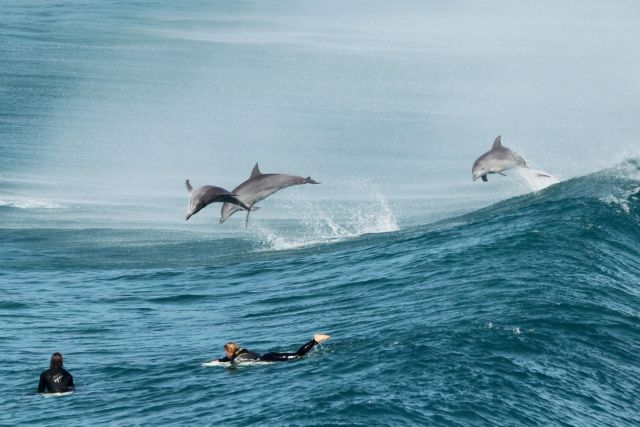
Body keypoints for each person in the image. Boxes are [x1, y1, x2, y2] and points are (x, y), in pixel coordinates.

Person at [211, 333, 331, 365]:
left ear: (230, 351)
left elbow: (232, 362)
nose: (225, 354)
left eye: (225, 352)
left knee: (298, 356)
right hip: (268, 355)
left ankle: (314, 340)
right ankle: (313, 341)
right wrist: (220, 360)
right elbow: (227, 359)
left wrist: (222, 362)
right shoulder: (242, 351)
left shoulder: (236, 359)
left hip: (267, 358)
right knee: (295, 354)